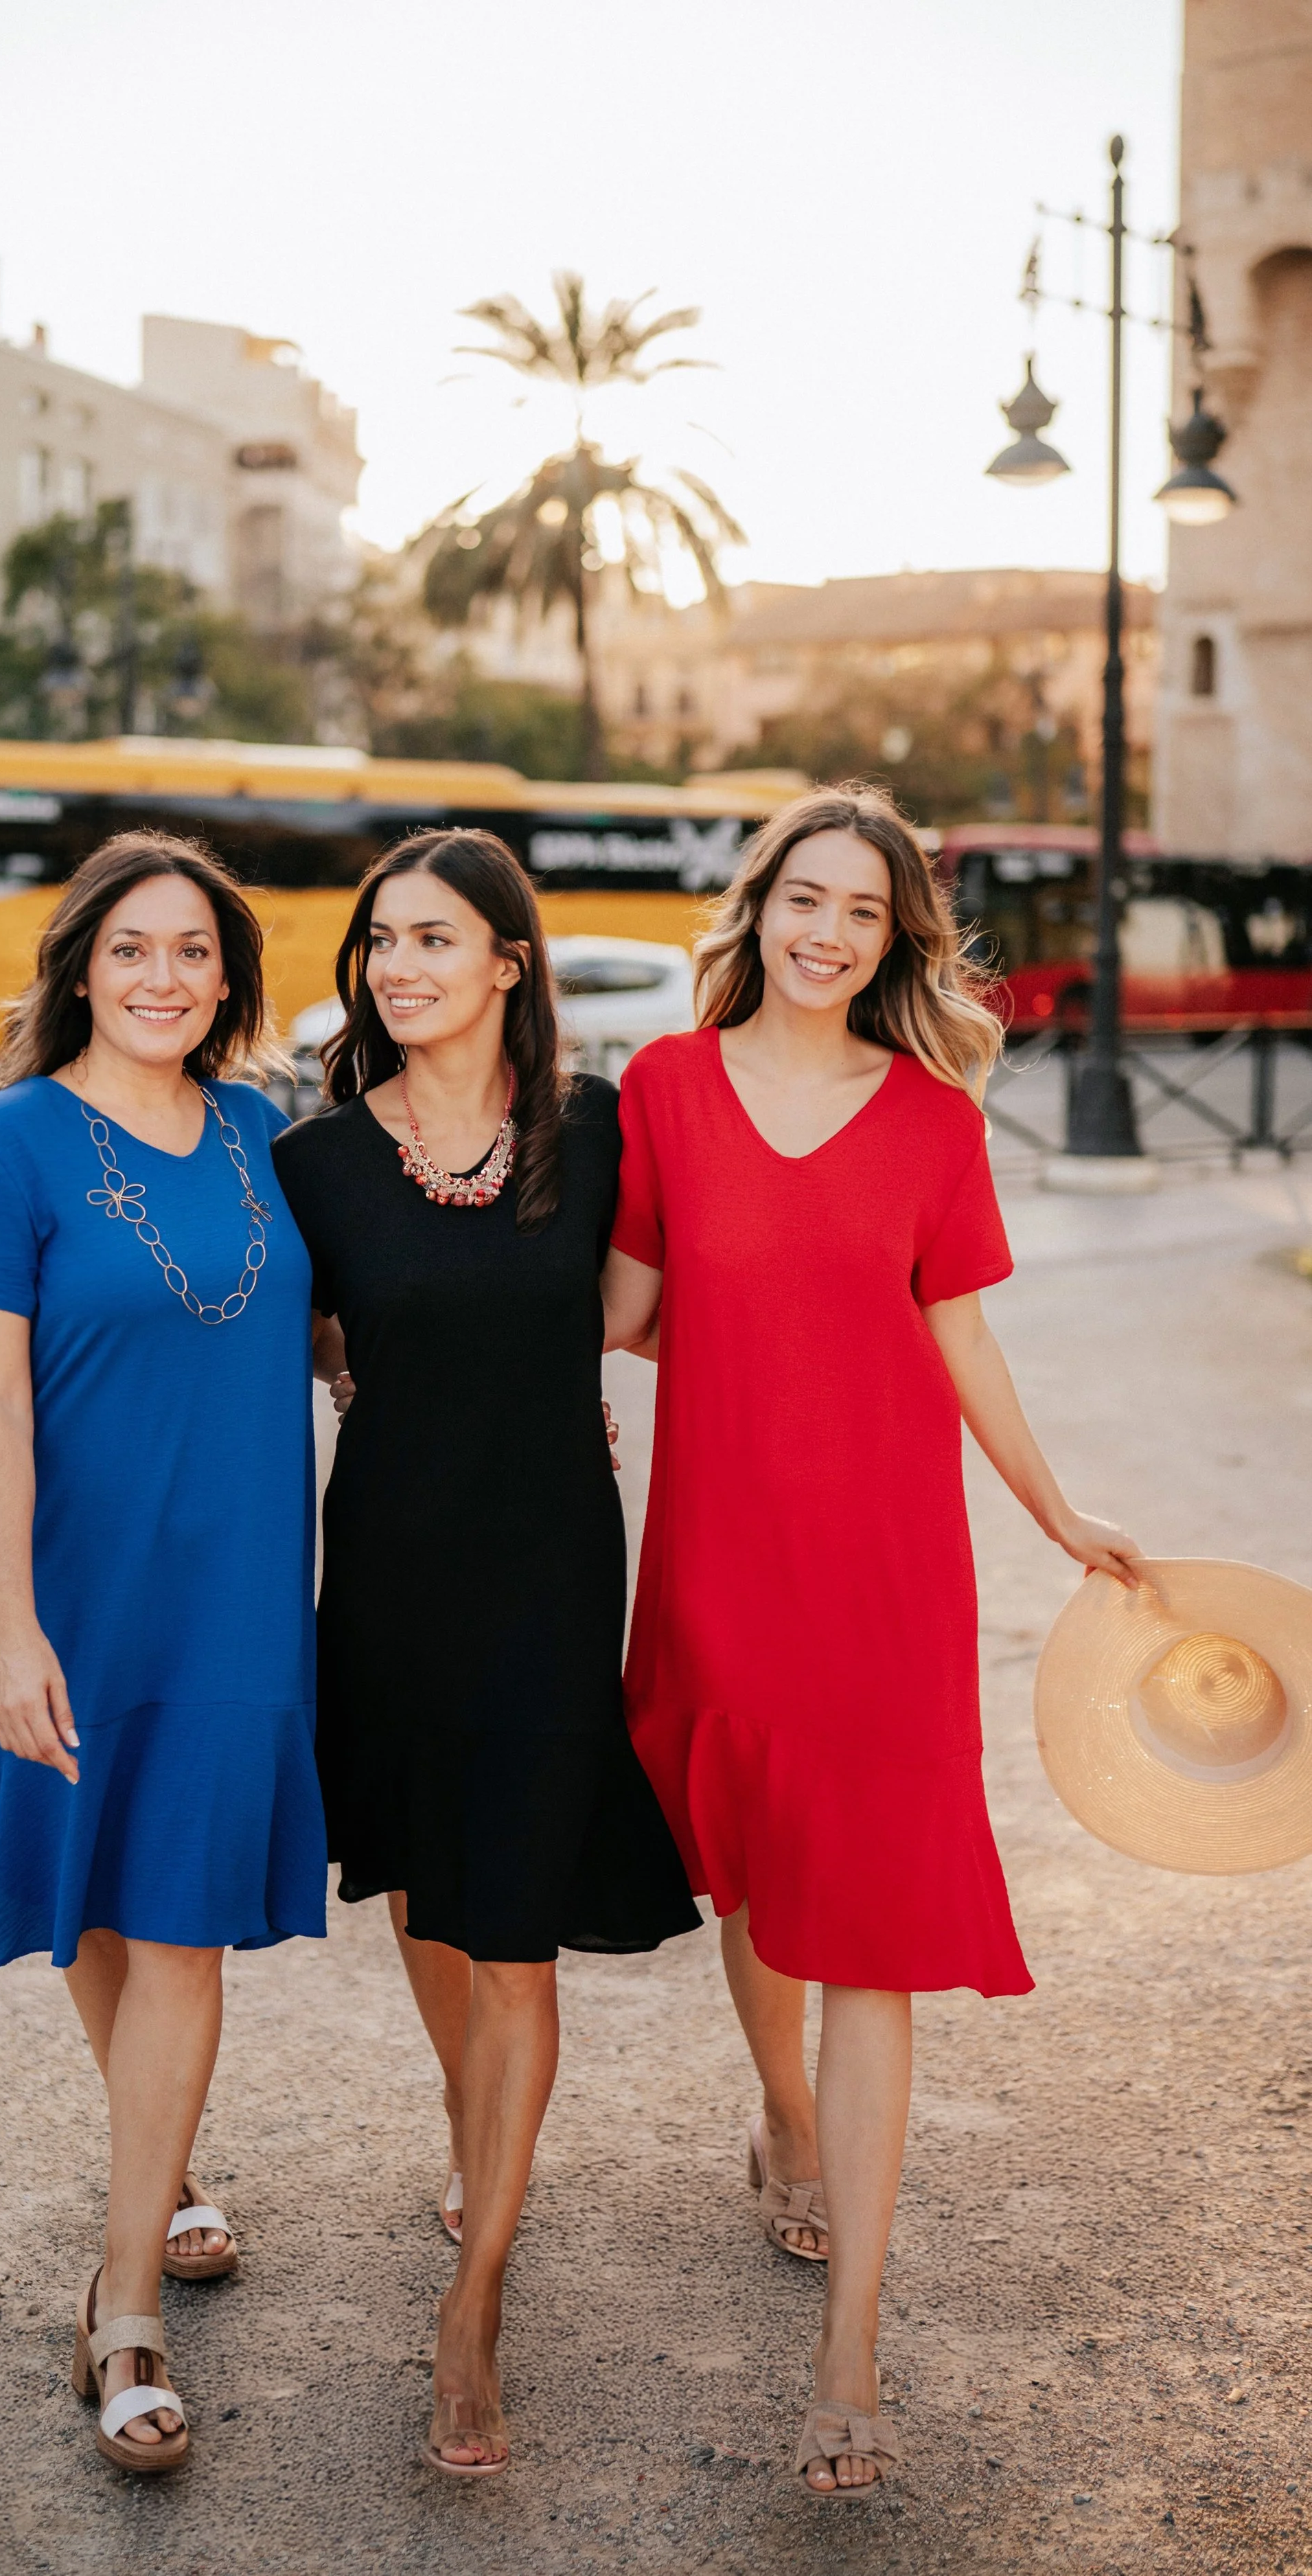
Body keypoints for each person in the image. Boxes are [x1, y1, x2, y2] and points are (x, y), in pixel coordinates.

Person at [600, 785, 1143, 2500]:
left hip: (887, 1576)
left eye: (861, 912)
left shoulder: (929, 1119)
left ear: (893, 938)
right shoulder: (664, 1094)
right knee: (748, 1870)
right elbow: (615, 1316)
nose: (826, 934)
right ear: (754, 908)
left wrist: (1058, 1515)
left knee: (870, 1934)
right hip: (715, 1561)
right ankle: (779, 2114)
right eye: (801, 899)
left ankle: (849, 2355)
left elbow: (956, 1340)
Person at [271, 828, 699, 2478]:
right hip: (383, 1577)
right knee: (425, 1891)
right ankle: (479, 2145)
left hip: (543, 1577)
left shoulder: (593, 1135)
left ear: (511, 963)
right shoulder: (312, 1163)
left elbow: (662, 1308)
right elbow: (295, 1334)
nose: (399, 967)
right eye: (382, 941)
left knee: (510, 1921)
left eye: (437, 940)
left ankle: (474, 2301)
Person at [0, 832, 325, 2473]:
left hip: (238, 1597)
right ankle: (168, 2168)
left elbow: (323, 1325)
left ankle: (127, 2295)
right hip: (71, 1591)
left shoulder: (260, 1131)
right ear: (80, 964)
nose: (165, 979)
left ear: (229, 980)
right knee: (99, 1892)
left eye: (195, 954)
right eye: (133, 950)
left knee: (182, 1921)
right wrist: (13, 1625)